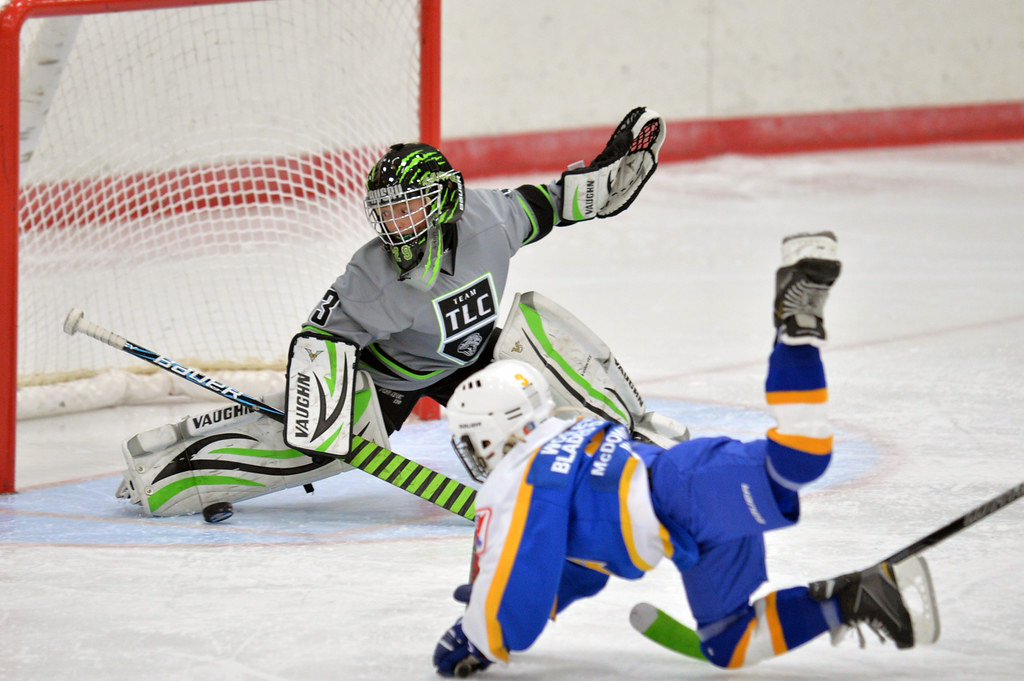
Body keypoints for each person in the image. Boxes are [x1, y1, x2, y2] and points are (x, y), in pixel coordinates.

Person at [431, 231, 940, 675]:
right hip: (688, 528)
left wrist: (479, 635)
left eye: (472, 439)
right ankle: (861, 598)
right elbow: (570, 565)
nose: (475, 455)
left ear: (493, 430)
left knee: (800, 460)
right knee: (729, 642)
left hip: (684, 490)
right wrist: (501, 609)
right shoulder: (566, 435)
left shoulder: (517, 481)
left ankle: (794, 330)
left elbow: (521, 565)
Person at [301, 107, 664, 435]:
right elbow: (320, 340)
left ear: (443, 195)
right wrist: (318, 417)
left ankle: (627, 433)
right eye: (385, 212)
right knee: (312, 455)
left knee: (546, 385)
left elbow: (551, 204)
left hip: (468, 358)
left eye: (405, 208)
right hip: (392, 378)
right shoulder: (372, 273)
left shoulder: (490, 218)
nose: (394, 224)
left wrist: (593, 191)